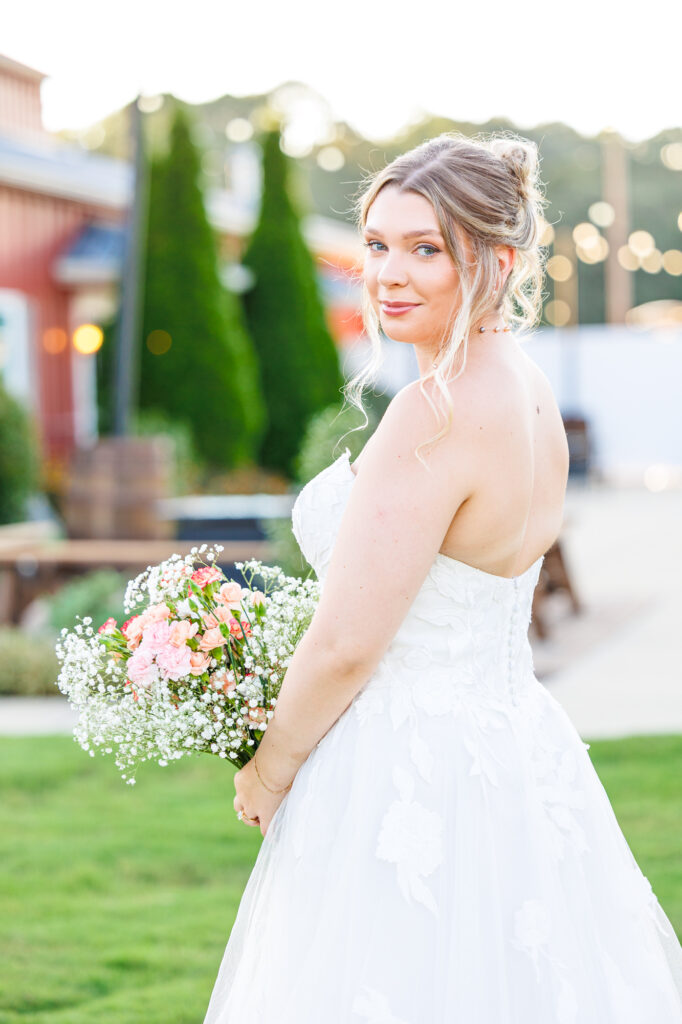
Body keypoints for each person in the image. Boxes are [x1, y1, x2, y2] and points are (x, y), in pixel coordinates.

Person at [204, 132, 682, 1023]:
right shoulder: (525, 387)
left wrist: (268, 769)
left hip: (404, 767)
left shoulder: (436, 411)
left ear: (497, 262)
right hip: (510, 750)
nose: (390, 273)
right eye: (377, 244)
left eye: (427, 249)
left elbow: (348, 644)